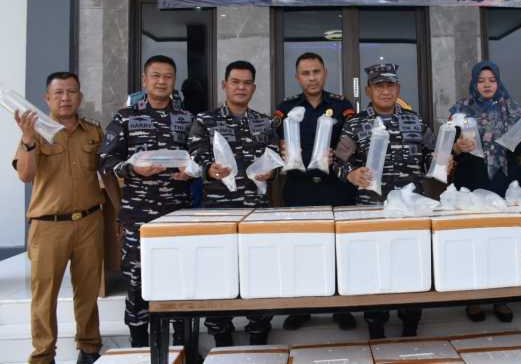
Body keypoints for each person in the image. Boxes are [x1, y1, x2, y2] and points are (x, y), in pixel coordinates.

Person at [333, 63, 435, 339]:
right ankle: (375, 323)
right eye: (379, 86)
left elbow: (432, 155)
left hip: (411, 210)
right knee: (373, 266)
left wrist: (441, 162)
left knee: (411, 264)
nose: (386, 91)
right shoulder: (356, 124)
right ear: (369, 90)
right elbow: (338, 162)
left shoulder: (416, 121)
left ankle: (410, 320)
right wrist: (351, 174)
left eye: (390, 85)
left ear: (398, 88)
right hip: (372, 209)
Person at [99, 55, 194, 347]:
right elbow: (105, 160)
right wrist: (131, 169)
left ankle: (181, 347)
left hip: (177, 214)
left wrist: (191, 171)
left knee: (179, 278)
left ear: (174, 81)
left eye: (168, 76)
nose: (162, 81)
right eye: (156, 76)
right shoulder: (125, 117)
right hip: (138, 215)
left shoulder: (187, 118)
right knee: (137, 280)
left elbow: (199, 157)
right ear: (144, 80)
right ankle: (139, 346)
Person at [13, 72, 107, 364]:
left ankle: (89, 348)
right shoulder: (35, 132)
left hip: (90, 222)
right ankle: (43, 355)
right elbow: (25, 175)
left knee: (88, 291)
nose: (65, 98)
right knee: (45, 294)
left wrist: (118, 216)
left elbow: (107, 174)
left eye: (71, 92)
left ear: (80, 96)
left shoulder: (93, 132)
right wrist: (28, 139)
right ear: (47, 98)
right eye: (59, 93)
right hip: (48, 226)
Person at [187, 60, 278, 346]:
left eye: (246, 83)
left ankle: (259, 332)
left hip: (256, 212)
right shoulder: (205, 121)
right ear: (224, 85)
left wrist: (272, 171)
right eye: (235, 82)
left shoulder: (265, 122)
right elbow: (194, 154)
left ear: (254, 87)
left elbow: (274, 156)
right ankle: (221, 335)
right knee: (218, 274)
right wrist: (208, 168)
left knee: (258, 274)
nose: (241, 87)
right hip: (219, 213)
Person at [273, 52, 357, 331]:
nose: (312, 78)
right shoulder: (286, 109)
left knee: (338, 250)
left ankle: (341, 308)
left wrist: (340, 156)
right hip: (300, 188)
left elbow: (353, 141)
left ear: (325, 73)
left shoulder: (342, 106)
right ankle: (302, 308)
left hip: (336, 188)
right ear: (297, 77)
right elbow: (272, 143)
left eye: (316, 72)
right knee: (302, 250)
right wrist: (281, 150)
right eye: (306, 73)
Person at [449, 60, 521, 323]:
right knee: (473, 239)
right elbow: (447, 148)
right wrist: (458, 147)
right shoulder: (460, 109)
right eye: (481, 80)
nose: (487, 85)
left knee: (501, 240)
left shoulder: (512, 109)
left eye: (492, 80)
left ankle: (501, 297)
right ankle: (474, 299)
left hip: (501, 182)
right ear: (473, 83)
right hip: (471, 181)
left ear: (498, 81)